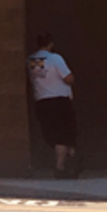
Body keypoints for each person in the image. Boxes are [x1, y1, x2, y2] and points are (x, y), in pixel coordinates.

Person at [26, 33, 79, 178]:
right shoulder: (55, 58)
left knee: (50, 133)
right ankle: (61, 166)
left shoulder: (29, 60)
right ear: (51, 44)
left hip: (41, 101)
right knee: (63, 134)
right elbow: (68, 78)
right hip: (60, 101)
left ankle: (62, 160)